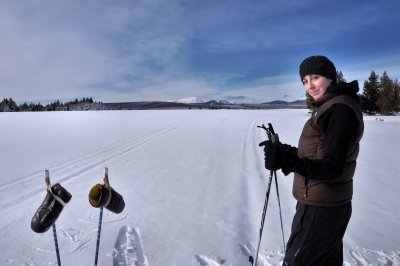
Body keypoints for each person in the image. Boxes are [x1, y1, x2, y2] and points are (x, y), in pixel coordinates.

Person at [259, 55, 364, 265]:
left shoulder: (339, 110)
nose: (310, 86)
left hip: (321, 206)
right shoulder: (330, 106)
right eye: (305, 81)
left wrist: (287, 162)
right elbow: (318, 153)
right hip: (326, 203)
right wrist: (284, 152)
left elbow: (332, 167)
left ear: (330, 78)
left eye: (315, 77)